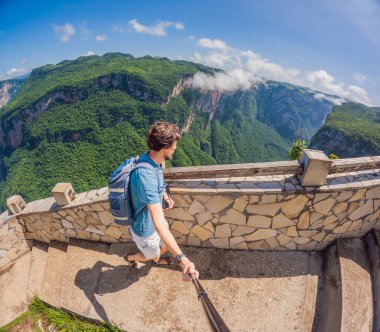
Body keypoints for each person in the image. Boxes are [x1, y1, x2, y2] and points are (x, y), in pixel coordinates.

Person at [124, 122, 199, 282]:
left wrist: (165, 196)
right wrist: (182, 259)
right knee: (154, 254)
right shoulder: (145, 176)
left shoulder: (152, 161)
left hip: (152, 224)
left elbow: (159, 181)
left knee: (163, 245)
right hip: (145, 231)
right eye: (174, 146)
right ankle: (130, 257)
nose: (175, 149)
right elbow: (158, 222)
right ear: (165, 148)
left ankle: (158, 259)